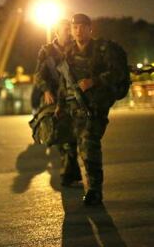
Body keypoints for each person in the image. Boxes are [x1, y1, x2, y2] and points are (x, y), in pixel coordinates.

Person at [56, 13, 126, 205]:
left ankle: (94, 189)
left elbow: (117, 73)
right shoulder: (69, 53)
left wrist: (94, 81)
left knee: (89, 143)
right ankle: (75, 176)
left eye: (82, 27)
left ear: (90, 29)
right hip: (74, 107)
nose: (78, 31)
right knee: (77, 144)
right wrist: (60, 106)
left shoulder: (102, 50)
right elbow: (65, 82)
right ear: (71, 30)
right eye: (75, 27)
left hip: (96, 106)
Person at [34, 19, 81, 187]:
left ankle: (70, 173)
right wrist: (46, 90)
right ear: (57, 33)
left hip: (73, 96)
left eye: (70, 29)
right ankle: (67, 172)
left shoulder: (76, 49)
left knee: (75, 135)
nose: (69, 32)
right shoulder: (46, 51)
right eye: (66, 29)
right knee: (60, 134)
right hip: (54, 96)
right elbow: (38, 75)